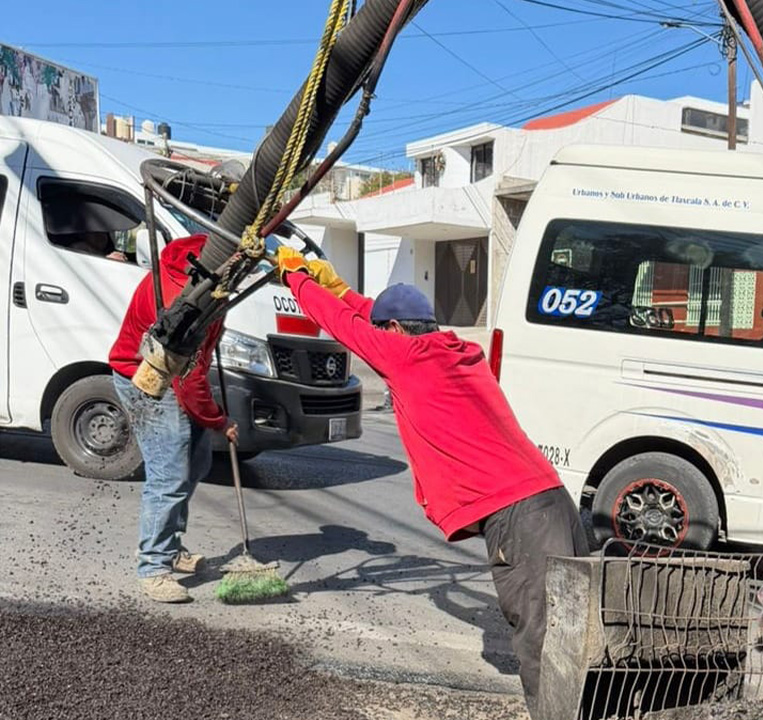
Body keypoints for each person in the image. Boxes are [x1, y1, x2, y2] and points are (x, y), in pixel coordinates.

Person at [274, 248, 589, 714]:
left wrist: (298, 279)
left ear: (396, 333)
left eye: (384, 333)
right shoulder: (452, 351)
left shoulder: (405, 356)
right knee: (576, 630)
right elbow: (369, 319)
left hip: (519, 519)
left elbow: (348, 328)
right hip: (551, 503)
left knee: (543, 642)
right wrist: (338, 288)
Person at [108, 234, 238, 603]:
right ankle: (153, 566)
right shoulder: (186, 302)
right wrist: (219, 420)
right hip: (146, 378)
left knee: (196, 462)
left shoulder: (200, 279)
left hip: (173, 373)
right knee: (169, 475)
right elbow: (189, 381)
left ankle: (170, 546)